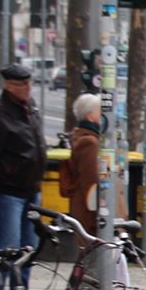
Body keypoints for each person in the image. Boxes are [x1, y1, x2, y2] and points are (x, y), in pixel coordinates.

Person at [0, 64, 44, 258]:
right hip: (9, 193)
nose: (28, 88)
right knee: (7, 249)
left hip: (32, 191)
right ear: (9, 86)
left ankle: (21, 288)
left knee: (29, 249)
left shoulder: (31, 109)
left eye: (29, 83)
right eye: (22, 84)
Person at [61, 92, 117, 235]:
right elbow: (91, 181)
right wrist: (99, 211)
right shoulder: (90, 143)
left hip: (87, 207)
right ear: (90, 116)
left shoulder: (85, 137)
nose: (105, 116)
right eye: (101, 112)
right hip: (89, 211)